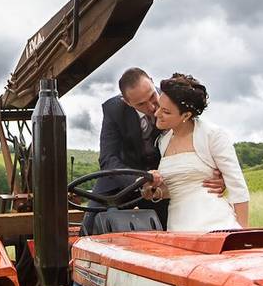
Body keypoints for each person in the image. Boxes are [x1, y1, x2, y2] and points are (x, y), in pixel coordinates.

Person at [84, 68, 223, 234]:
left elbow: (197, 135)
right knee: (89, 223)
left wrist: (217, 174)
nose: (151, 106)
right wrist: (139, 179)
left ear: (152, 81)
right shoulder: (113, 110)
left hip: (163, 181)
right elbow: (108, 158)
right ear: (126, 102)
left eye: (152, 96)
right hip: (123, 180)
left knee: (170, 228)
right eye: (141, 104)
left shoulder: (174, 99)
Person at [148, 73, 249, 231]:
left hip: (213, 223)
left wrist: (243, 233)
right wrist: (152, 189)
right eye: (159, 106)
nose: (157, 113)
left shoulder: (212, 135)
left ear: (186, 115)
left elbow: (237, 186)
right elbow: (178, 186)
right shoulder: (164, 141)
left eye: (166, 111)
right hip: (177, 225)